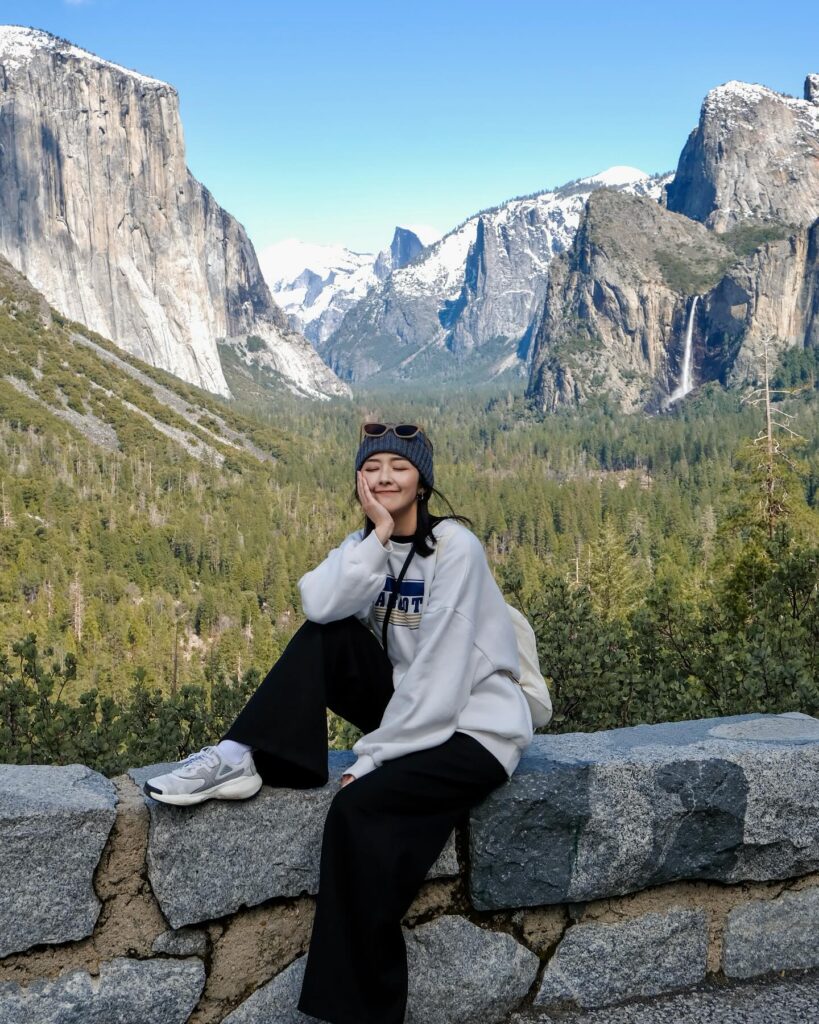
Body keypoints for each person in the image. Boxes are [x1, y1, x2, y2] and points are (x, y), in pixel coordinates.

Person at [144, 421, 534, 1024]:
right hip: (413, 709)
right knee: (323, 636)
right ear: (359, 481)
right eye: (372, 468)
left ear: (423, 482)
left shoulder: (455, 548)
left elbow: (442, 671)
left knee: (357, 811)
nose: (385, 477)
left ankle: (365, 1011)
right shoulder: (367, 544)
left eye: (399, 467)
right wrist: (376, 538)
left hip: (474, 728)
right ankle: (241, 753)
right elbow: (319, 605)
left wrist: (374, 757)